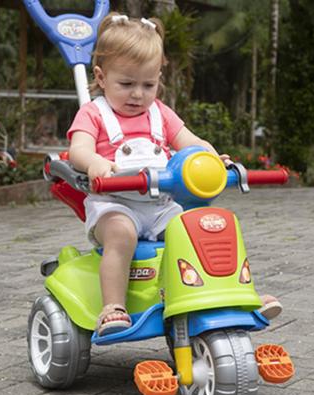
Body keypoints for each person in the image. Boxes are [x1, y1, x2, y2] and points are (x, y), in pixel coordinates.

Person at [67, 13, 282, 336]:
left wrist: (210, 158)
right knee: (122, 234)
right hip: (113, 206)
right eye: (126, 84)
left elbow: (190, 142)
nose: (138, 94)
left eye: (148, 84)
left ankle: (239, 296)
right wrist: (94, 161)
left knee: (200, 230)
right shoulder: (94, 113)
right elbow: (77, 150)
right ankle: (113, 306)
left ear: (158, 78)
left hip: (159, 205)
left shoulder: (160, 113)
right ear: (100, 76)